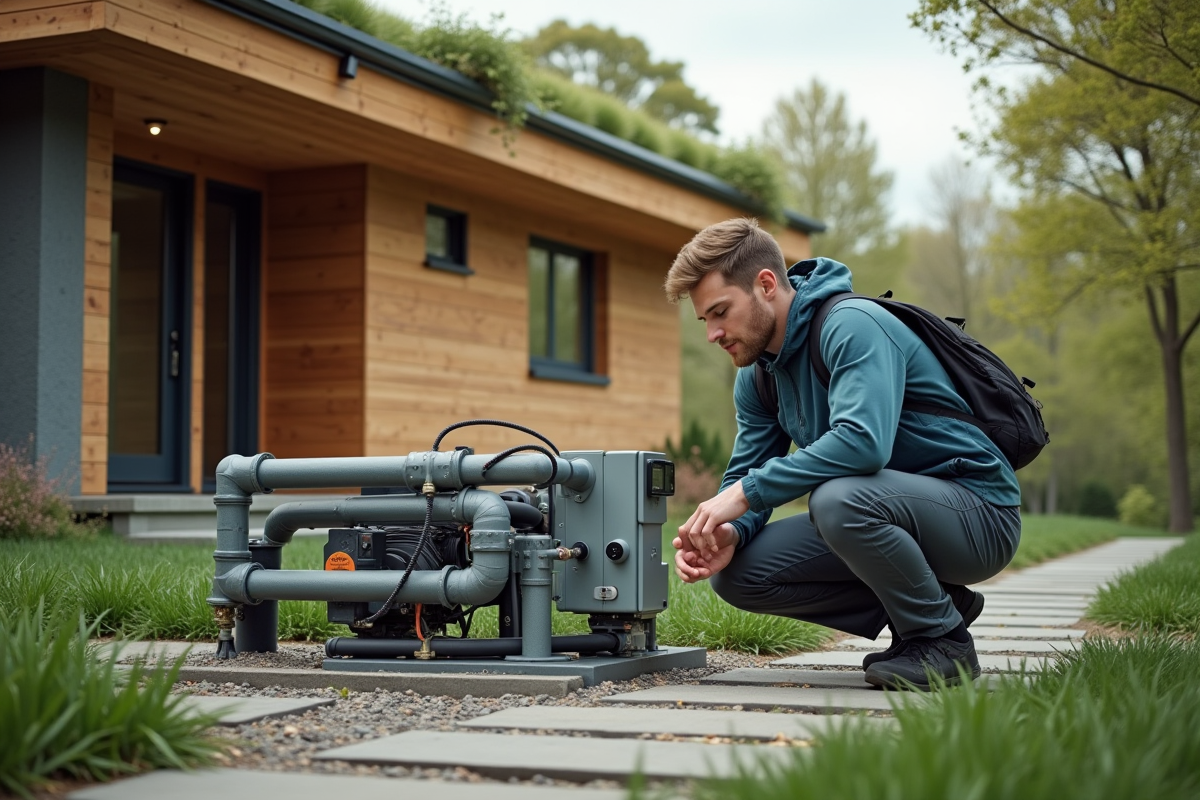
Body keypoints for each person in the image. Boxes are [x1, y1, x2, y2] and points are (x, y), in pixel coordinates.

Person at [663, 218, 1022, 690]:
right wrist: (730, 531)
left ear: (766, 285)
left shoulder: (852, 325)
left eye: (720, 312)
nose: (713, 333)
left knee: (837, 499)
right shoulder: (758, 374)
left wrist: (746, 493)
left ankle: (942, 642)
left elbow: (862, 443)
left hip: (978, 515)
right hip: (883, 512)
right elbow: (749, 469)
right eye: (705, 320)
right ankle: (939, 604)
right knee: (739, 574)